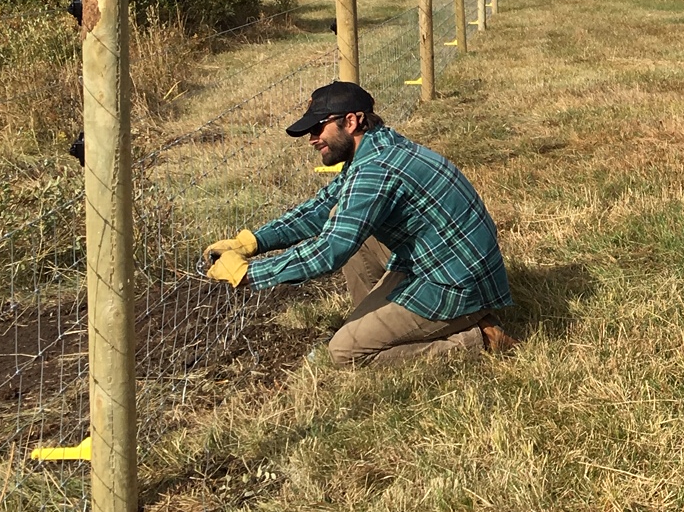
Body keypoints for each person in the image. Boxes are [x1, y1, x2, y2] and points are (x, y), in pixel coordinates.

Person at [202, 81, 514, 367]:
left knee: (346, 354)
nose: (312, 139)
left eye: (318, 128)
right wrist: (252, 242)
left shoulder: (375, 170)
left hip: (456, 283)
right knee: (343, 216)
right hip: (440, 262)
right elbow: (321, 208)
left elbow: (330, 251)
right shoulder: (378, 148)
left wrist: (249, 273)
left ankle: (475, 339)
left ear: (351, 121)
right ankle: (385, 325)